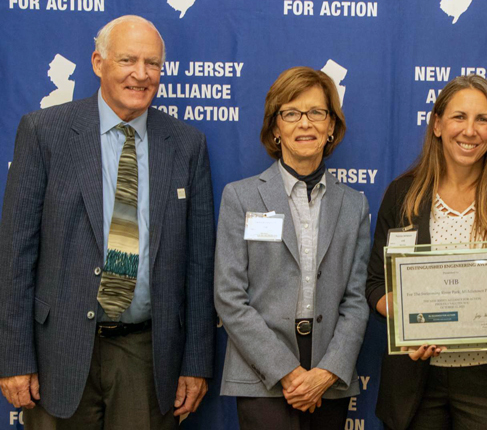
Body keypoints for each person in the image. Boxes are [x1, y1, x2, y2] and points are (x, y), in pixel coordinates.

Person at [0, 15, 216, 429]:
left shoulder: (187, 145)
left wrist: (195, 362)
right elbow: (15, 256)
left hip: (148, 357)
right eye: (128, 60)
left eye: (152, 64)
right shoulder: (44, 132)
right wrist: (14, 358)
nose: (141, 74)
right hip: (56, 354)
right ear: (99, 63)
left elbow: (199, 264)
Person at [366, 75, 487, 430]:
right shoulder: (402, 194)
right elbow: (376, 284)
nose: (470, 130)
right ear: (437, 125)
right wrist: (410, 318)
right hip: (415, 378)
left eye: (482, 119)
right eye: (459, 117)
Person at [214, 66, 370, 430]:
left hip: (327, 378)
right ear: (275, 128)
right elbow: (229, 296)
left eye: (317, 112)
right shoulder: (240, 197)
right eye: (291, 113)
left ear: (331, 126)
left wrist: (328, 371)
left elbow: (356, 300)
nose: (305, 124)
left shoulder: (354, 205)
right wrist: (286, 372)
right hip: (260, 373)